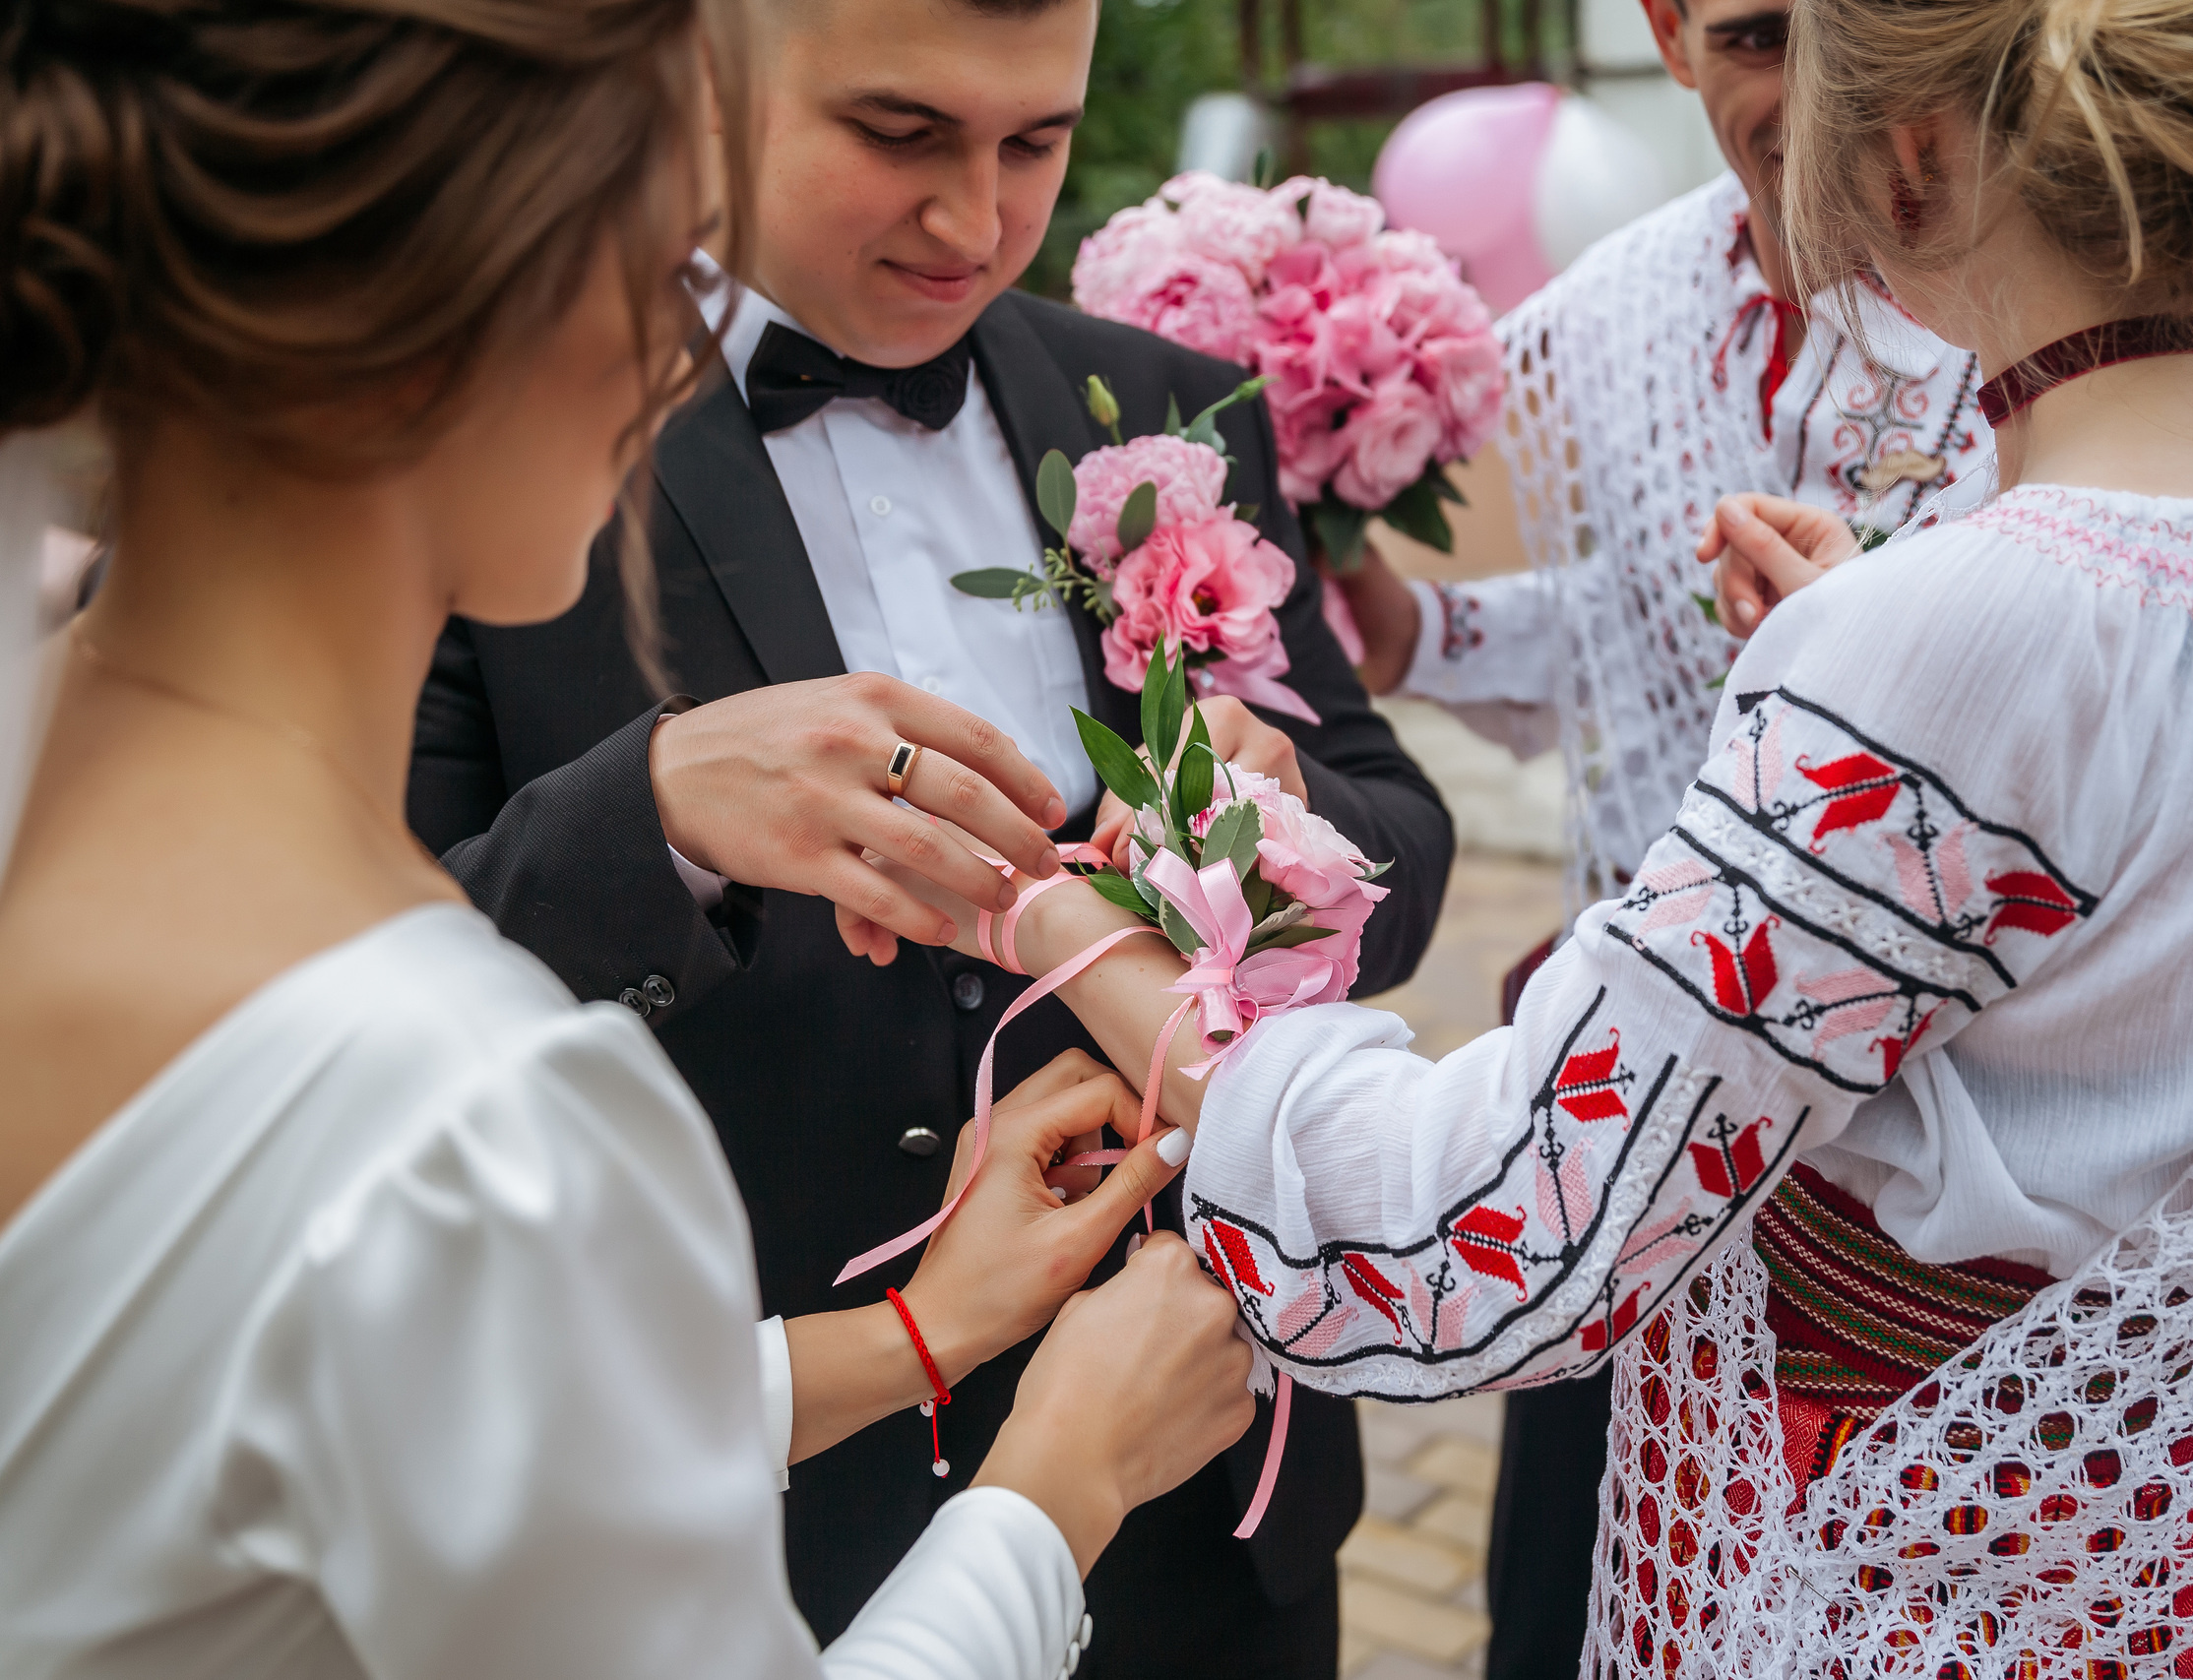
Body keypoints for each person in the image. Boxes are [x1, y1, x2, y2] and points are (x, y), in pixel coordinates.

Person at [883, 1, 2193, 1677]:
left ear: (1909, 152)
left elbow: (1488, 1236)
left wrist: (1073, 928)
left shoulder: (1966, 633)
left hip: (1926, 1571)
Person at [0, 1, 1256, 1675]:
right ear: (489, 278)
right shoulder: (479, 1122)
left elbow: (325, 1381)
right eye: (668, 245)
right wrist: (1060, 1483)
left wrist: (916, 1334)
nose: (687, 346)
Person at [404, 0, 1452, 1668]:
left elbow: (1408, 830)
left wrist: (1284, 816)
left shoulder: (1170, 414)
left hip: (1205, 1483)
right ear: (704, 76)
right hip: (765, 1515)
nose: (977, 220)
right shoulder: (486, 429)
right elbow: (366, 986)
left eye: (1036, 142)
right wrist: (656, 816)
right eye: (901, 136)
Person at [1330, 7, 1994, 1665]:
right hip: (1625, 1127)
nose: (1831, 104)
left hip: (1928, 1184)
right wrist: (1415, 634)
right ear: (1670, 32)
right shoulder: (1609, 313)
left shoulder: (2034, 301)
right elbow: (1612, 622)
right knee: (1564, 1604)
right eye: (1768, 36)